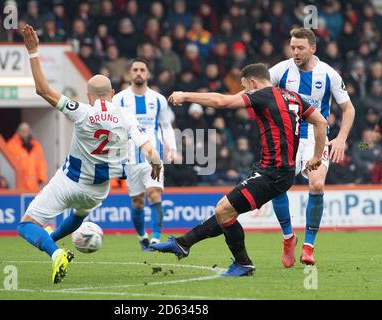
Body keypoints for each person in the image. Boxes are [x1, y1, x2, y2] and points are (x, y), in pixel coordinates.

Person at [151, 63, 327, 277]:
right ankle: (182, 243)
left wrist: (185, 95)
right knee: (226, 211)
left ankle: (243, 263)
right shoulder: (292, 97)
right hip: (274, 171)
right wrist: (317, 156)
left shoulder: (262, 95)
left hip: (274, 174)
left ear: (253, 82)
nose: (244, 91)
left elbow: (221, 101)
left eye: (244, 87)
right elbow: (321, 120)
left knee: (223, 210)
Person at [16, 25, 162, 284]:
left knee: (26, 225)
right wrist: (156, 164)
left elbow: (43, 90)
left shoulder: (81, 111)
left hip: (69, 180)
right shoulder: (126, 116)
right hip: (97, 189)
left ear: (88, 96)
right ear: (113, 95)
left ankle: (55, 251)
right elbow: (149, 149)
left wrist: (33, 51)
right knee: (78, 216)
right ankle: (52, 243)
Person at [269, 28, 355, 267]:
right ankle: (289, 238)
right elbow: (259, 90)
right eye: (292, 47)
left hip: (317, 138)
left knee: (317, 184)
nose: (295, 52)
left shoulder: (329, 74)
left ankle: (308, 246)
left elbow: (349, 109)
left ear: (313, 48)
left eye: (300, 48)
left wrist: (341, 138)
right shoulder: (280, 70)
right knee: (277, 187)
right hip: (288, 137)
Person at [112, 58, 177, 250]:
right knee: (138, 201)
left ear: (148, 74)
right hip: (130, 158)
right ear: (129, 74)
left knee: (154, 194)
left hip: (153, 158)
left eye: (142, 70)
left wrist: (171, 147)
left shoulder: (158, 99)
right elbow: (113, 127)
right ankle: (142, 237)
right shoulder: (119, 99)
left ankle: (156, 240)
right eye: (135, 70)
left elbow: (166, 126)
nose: (139, 73)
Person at [6, 122, 47, 192]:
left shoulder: (36, 145)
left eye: (27, 131)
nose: (25, 133)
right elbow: (8, 164)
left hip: (34, 184)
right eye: (22, 130)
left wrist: (42, 177)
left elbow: (41, 162)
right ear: (18, 131)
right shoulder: (11, 145)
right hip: (18, 184)